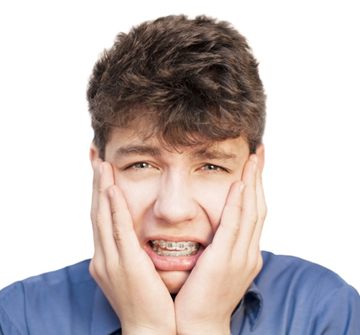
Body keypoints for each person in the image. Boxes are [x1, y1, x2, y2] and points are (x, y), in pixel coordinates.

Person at [0, 14, 359, 335]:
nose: (173, 210)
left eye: (212, 166)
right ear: (99, 168)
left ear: (254, 170)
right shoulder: (20, 318)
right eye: (141, 165)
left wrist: (204, 327)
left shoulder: (325, 311)